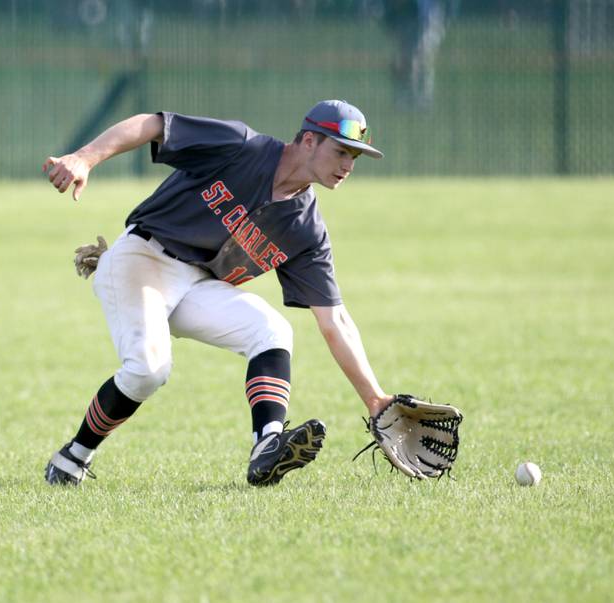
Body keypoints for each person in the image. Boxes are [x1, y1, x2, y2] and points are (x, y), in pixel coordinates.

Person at [42, 100, 395, 487]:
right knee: (148, 370)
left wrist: (376, 401)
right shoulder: (242, 146)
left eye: (355, 155)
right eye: (341, 150)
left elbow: (335, 320)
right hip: (143, 258)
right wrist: (84, 157)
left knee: (273, 330)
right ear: (309, 140)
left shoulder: (305, 228)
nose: (348, 165)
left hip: (198, 284)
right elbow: (153, 125)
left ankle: (267, 446)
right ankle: (73, 457)